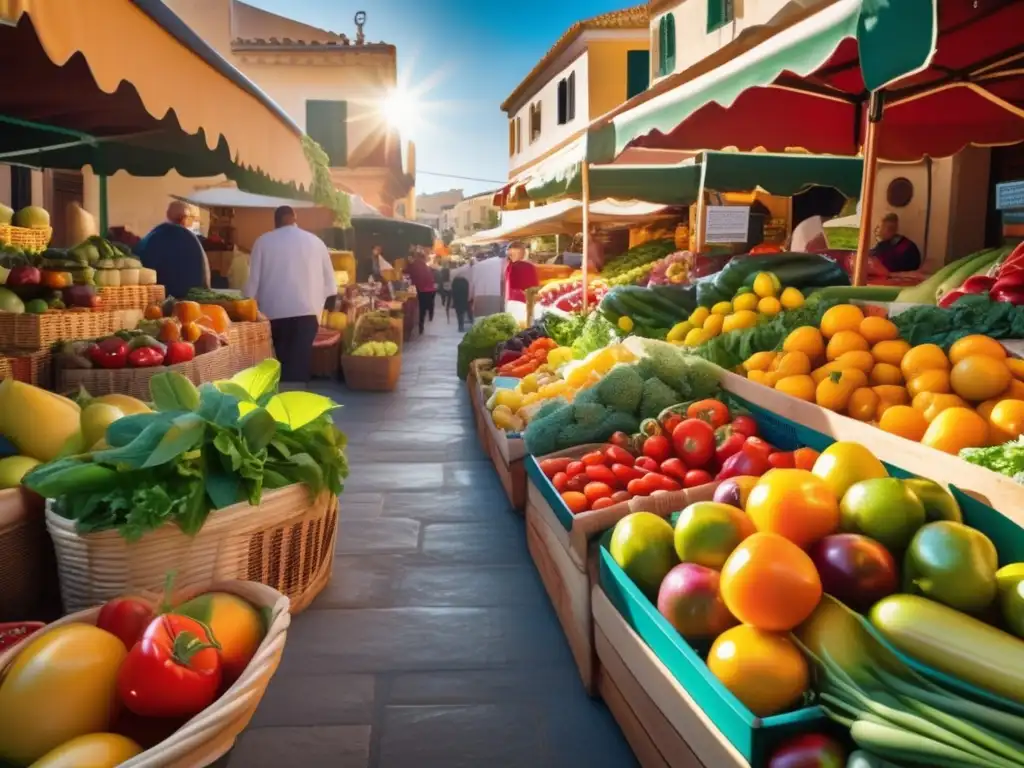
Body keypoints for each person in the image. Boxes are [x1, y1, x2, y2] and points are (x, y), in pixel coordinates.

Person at [244, 206, 336, 383]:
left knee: (278, 366)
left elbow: (252, 285)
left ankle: (280, 404)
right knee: (299, 365)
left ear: (275, 221)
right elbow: (331, 286)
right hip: (308, 314)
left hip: (273, 315)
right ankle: (297, 404)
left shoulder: (263, 242)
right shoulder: (316, 242)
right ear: (295, 218)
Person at [136, 201, 210, 299]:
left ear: (168, 215)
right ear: (186, 218)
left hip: (162, 301)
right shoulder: (192, 240)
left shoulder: (153, 237)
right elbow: (204, 279)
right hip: (194, 301)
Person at [504, 242, 538, 326]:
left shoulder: (508, 266)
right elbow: (533, 289)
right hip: (522, 302)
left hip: (509, 301)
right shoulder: (528, 266)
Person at [405, 248, 437, 334]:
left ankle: (421, 326)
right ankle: (428, 317)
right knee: (427, 305)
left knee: (422, 308)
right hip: (430, 289)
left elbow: (407, 272)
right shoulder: (424, 265)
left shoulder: (415, 264)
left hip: (422, 289)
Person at [450, 260, 474, 332]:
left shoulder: (458, 271)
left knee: (460, 310)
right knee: (467, 308)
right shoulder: (470, 269)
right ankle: (471, 323)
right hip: (464, 288)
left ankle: (461, 326)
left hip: (458, 288)